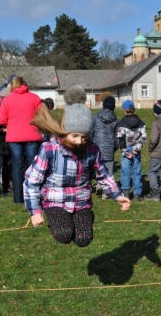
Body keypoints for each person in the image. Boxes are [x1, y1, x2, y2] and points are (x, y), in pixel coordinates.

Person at [23, 84, 131, 247]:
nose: (80, 141)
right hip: (55, 201)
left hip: (81, 201)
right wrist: (35, 211)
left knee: (83, 239)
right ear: (65, 131)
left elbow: (104, 175)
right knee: (64, 234)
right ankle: (58, 221)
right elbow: (32, 181)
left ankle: (86, 219)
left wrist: (117, 195)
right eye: (74, 136)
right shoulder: (50, 149)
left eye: (84, 137)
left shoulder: (92, 149)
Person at [0, 76, 44, 204]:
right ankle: (32, 196)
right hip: (32, 136)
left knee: (17, 166)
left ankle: (18, 198)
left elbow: (1, 119)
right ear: (25, 84)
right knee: (33, 167)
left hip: (14, 137)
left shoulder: (8, 100)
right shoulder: (34, 98)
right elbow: (43, 115)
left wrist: (10, 124)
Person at [116, 100, 147, 201]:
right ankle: (137, 195)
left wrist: (124, 152)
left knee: (125, 172)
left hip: (126, 149)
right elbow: (144, 136)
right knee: (137, 172)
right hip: (136, 150)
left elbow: (120, 138)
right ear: (133, 109)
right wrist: (137, 147)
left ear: (124, 110)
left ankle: (126, 193)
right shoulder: (141, 123)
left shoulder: (121, 123)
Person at [91, 92, 119, 200]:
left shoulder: (96, 117)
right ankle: (106, 193)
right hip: (109, 149)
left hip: (96, 147)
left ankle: (98, 184)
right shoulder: (116, 120)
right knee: (109, 171)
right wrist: (114, 147)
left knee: (97, 168)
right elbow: (117, 136)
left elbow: (91, 132)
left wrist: (91, 144)